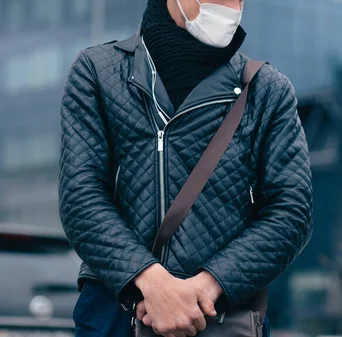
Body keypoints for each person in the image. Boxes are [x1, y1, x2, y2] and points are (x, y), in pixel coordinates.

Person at [58, 0, 313, 336]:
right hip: (114, 312)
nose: (230, 5)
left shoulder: (267, 91)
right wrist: (149, 281)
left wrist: (206, 288)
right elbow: (80, 197)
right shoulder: (98, 72)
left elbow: (292, 212)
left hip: (221, 316)